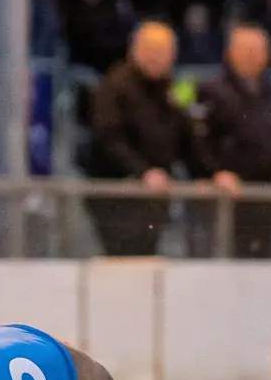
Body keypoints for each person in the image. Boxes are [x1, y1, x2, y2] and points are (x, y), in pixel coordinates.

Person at [84, 21, 199, 257]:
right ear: (134, 50)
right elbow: (108, 137)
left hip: (155, 196)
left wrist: (211, 172)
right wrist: (143, 171)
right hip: (117, 194)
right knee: (125, 259)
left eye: (164, 51)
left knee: (146, 255)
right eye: (152, 50)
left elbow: (190, 138)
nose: (158, 57)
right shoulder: (115, 85)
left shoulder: (175, 88)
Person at [199, 24, 271, 260]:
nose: (252, 55)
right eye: (246, 49)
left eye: (258, 50)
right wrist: (215, 172)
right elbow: (199, 140)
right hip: (229, 196)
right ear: (230, 53)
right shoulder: (211, 90)